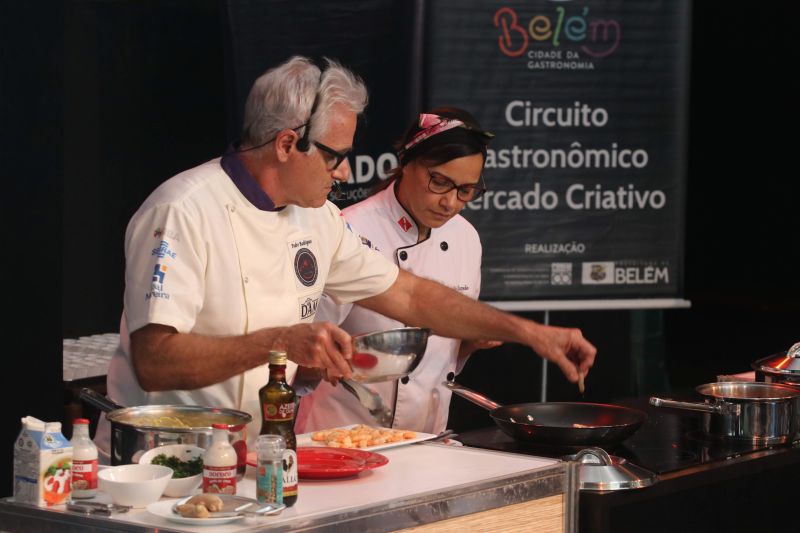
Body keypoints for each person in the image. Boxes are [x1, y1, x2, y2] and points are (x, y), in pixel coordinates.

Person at [100, 55, 596, 456]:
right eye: (335, 155)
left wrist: (532, 333)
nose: (343, 173)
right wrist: (282, 342)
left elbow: (409, 294)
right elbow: (155, 361)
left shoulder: (316, 220)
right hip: (162, 462)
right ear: (288, 144)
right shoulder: (183, 209)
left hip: (252, 458)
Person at [297, 107, 501, 434]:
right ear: (406, 163)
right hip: (339, 434)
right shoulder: (349, 229)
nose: (450, 202)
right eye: (439, 182)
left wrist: (471, 342)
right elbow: (305, 348)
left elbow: (445, 357)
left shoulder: (466, 239)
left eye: (466, 191)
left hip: (425, 436)